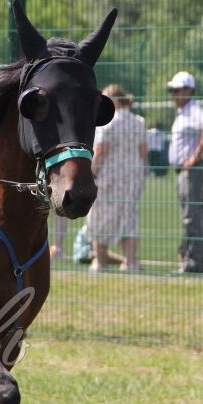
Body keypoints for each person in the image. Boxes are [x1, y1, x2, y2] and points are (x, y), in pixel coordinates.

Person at [86, 84, 147, 272]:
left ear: (115, 101)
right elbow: (144, 151)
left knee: (99, 215)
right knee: (129, 216)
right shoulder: (139, 121)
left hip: (109, 176)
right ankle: (130, 262)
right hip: (133, 175)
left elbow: (101, 152)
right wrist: (143, 174)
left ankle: (100, 261)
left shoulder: (108, 122)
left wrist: (91, 172)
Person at [166, 71, 203, 273]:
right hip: (185, 171)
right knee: (189, 214)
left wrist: (194, 157)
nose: (173, 94)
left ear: (188, 90)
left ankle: (194, 262)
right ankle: (190, 258)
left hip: (191, 170)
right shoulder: (186, 111)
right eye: (172, 91)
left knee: (192, 215)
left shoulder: (193, 110)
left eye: (177, 90)